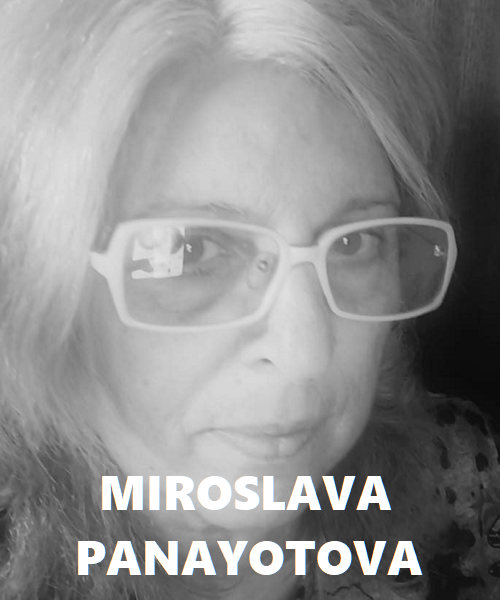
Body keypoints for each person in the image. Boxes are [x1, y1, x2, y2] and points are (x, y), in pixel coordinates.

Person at [0, 0, 498, 598]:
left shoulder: (460, 478)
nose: (306, 356)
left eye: (356, 243)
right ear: (46, 294)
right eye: (191, 250)